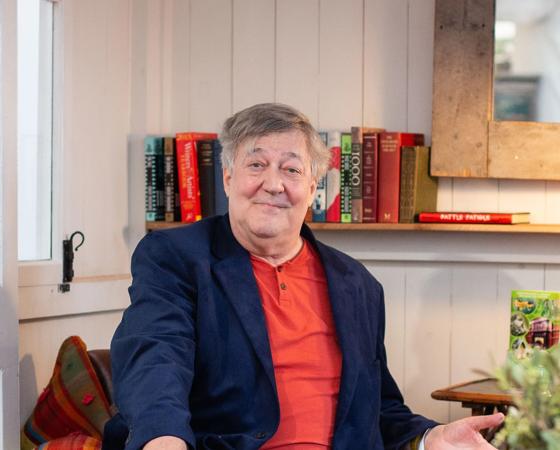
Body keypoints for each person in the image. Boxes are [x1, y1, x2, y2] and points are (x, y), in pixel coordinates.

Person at [104, 103, 504, 450]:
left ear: (312, 187)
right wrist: (163, 439)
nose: (273, 183)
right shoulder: (176, 257)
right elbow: (155, 356)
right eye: (256, 164)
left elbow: (379, 409)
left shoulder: (357, 284)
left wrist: (431, 438)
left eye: (291, 169)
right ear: (228, 178)